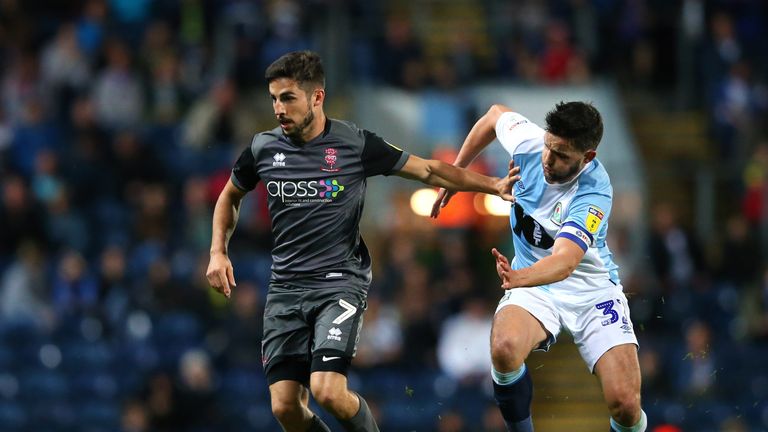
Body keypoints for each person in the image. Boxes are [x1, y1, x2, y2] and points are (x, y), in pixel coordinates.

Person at [205, 50, 520, 432]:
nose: (278, 109)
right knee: (285, 408)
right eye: (273, 99)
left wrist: (492, 184)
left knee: (327, 391)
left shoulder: (354, 143)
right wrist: (218, 251)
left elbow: (428, 169)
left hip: (339, 284)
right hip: (285, 289)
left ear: (317, 97)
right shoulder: (263, 148)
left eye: (287, 98)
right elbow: (230, 195)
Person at [431, 102, 646, 432]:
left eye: (561, 155)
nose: (548, 159)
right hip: (536, 286)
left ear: (587, 157)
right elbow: (493, 115)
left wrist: (518, 277)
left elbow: (564, 262)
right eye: (549, 146)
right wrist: (456, 174)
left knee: (626, 405)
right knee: (504, 348)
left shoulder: (594, 192)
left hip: (590, 292)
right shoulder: (530, 143)